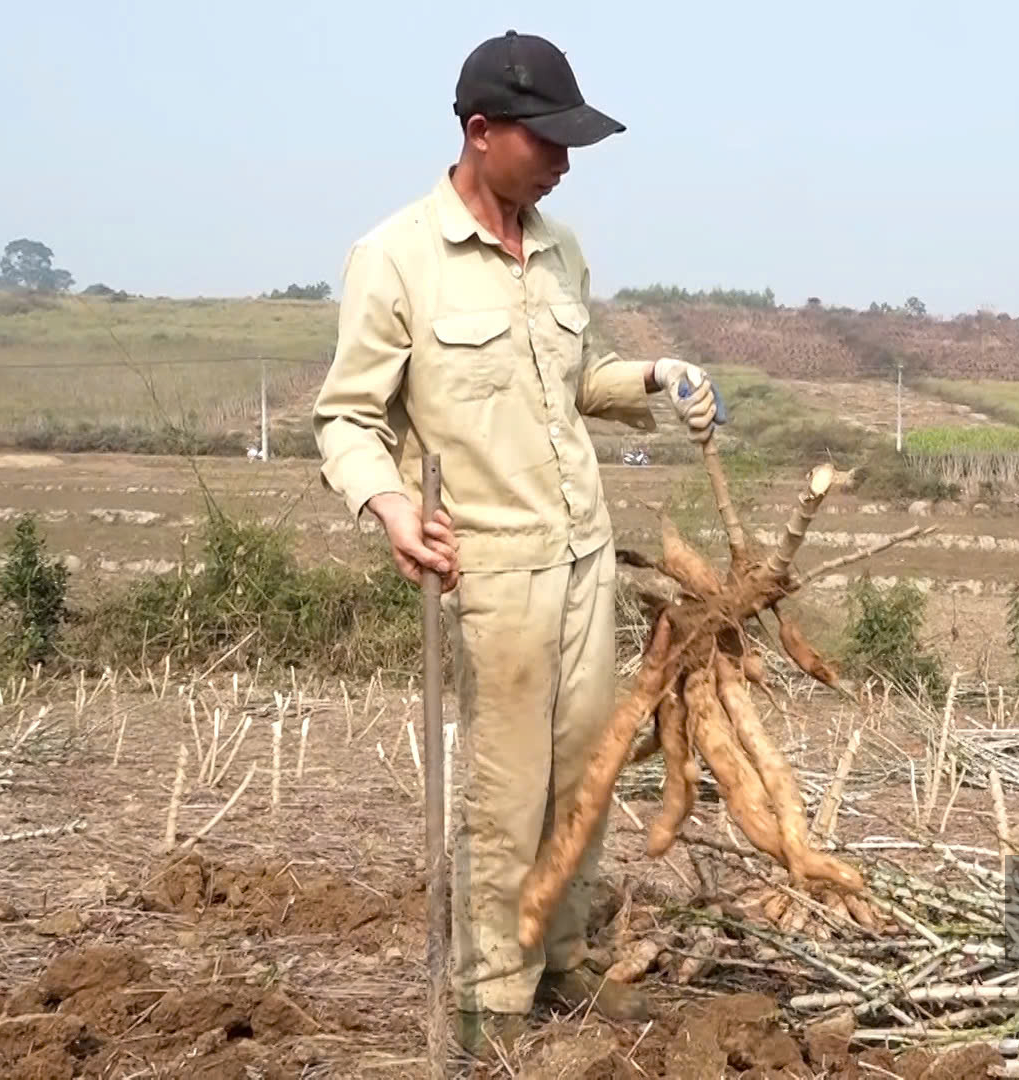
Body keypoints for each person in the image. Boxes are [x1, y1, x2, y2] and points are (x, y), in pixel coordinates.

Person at [310, 29, 717, 1054]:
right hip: (489, 569)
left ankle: (565, 962)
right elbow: (347, 419)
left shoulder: (562, 249)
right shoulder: (395, 257)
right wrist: (390, 508)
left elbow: (572, 382)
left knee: (585, 776)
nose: (565, 161)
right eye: (547, 140)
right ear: (480, 132)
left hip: (583, 553)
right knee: (505, 793)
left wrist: (656, 377)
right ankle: (491, 1002)